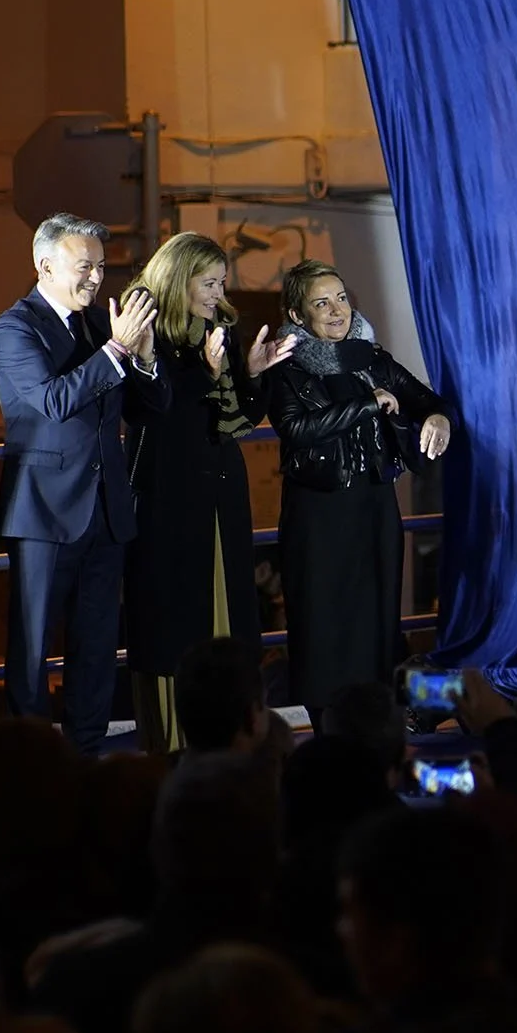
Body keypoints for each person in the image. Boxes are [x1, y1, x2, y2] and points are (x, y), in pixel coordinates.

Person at [0, 212, 170, 754]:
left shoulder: (98, 325)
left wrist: (144, 356)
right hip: (43, 512)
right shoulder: (14, 327)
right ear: (45, 266)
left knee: (95, 644)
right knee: (32, 645)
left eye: (100, 266)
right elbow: (54, 401)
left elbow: (150, 409)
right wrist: (117, 351)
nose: (96, 278)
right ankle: (29, 757)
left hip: (105, 509)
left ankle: (87, 750)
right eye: (84, 266)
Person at [123, 232, 293, 753]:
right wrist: (207, 372)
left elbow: (235, 421)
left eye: (222, 283)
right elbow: (153, 410)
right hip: (168, 494)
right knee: (174, 612)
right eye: (208, 282)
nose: (218, 293)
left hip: (221, 488)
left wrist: (254, 376)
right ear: (179, 278)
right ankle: (174, 742)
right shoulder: (145, 330)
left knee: (230, 604)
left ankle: (232, 733)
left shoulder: (222, 329)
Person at [266, 260, 449, 717]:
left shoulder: (371, 357)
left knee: (378, 619)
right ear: (296, 314)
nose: (336, 311)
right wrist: (366, 405)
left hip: (374, 504)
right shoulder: (285, 364)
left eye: (341, 298)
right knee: (322, 622)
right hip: (319, 511)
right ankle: (328, 728)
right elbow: (296, 429)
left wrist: (437, 417)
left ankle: (378, 721)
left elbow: (427, 399)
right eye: (321, 302)